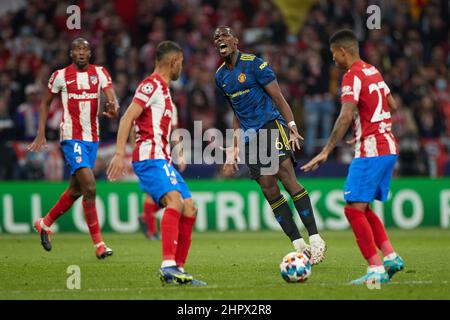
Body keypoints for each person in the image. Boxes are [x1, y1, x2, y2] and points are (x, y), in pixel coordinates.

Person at [213, 26, 326, 264]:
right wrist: (234, 147)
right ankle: (299, 244)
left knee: (286, 177)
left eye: (224, 36)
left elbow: (278, 97)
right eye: (216, 38)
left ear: (235, 41)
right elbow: (236, 111)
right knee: (267, 187)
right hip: (250, 137)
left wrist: (292, 125)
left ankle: (316, 239)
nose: (220, 39)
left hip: (270, 124)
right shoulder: (220, 76)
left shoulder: (255, 64)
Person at [301, 29, 405, 285]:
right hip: (388, 146)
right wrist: (366, 126)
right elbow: (392, 105)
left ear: (342, 51)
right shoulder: (373, 71)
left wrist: (326, 150)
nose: (333, 59)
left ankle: (376, 269)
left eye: (333, 54)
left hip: (371, 151)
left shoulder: (352, 76)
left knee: (353, 211)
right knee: (363, 207)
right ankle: (390, 257)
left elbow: (345, 115)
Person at [107, 41, 205, 286]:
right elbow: (127, 118)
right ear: (173, 62)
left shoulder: (166, 93)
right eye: (181, 63)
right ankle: (168, 265)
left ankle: (178, 270)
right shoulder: (150, 85)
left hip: (163, 159)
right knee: (175, 201)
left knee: (190, 207)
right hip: (150, 157)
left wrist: (179, 152)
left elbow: (172, 129)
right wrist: (120, 153)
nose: (181, 68)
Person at [28, 38, 118, 259]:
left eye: (84, 49)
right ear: (71, 54)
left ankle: (44, 223)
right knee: (90, 186)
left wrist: (113, 108)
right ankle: (99, 244)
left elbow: (111, 97)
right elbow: (46, 103)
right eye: (77, 49)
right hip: (71, 137)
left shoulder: (100, 72)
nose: (80, 53)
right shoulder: (60, 76)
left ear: (90, 53)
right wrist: (40, 132)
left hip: (92, 139)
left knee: (76, 190)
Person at [137, 104, 186, 241]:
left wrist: (180, 155)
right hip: (146, 155)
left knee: (173, 196)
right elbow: (131, 126)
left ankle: (147, 217)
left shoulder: (172, 107)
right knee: (151, 194)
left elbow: (175, 133)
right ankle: (152, 231)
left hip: (163, 157)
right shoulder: (145, 102)